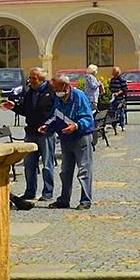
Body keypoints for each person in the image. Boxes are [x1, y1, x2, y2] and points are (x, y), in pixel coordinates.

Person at [46, 74, 96, 210]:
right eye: (54, 88)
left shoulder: (79, 96)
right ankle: (64, 199)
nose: (55, 91)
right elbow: (55, 115)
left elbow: (88, 118)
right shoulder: (58, 98)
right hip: (66, 139)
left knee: (84, 170)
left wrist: (76, 126)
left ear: (66, 86)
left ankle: (85, 201)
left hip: (81, 138)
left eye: (57, 88)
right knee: (65, 171)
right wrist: (47, 126)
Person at [8, 75, 58, 208]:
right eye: (30, 78)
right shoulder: (30, 92)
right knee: (29, 164)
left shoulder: (51, 91)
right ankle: (30, 191)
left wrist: (48, 125)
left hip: (46, 133)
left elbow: (56, 112)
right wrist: (14, 107)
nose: (30, 80)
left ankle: (47, 192)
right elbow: (25, 110)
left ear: (41, 79)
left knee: (47, 165)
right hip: (30, 133)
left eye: (33, 78)